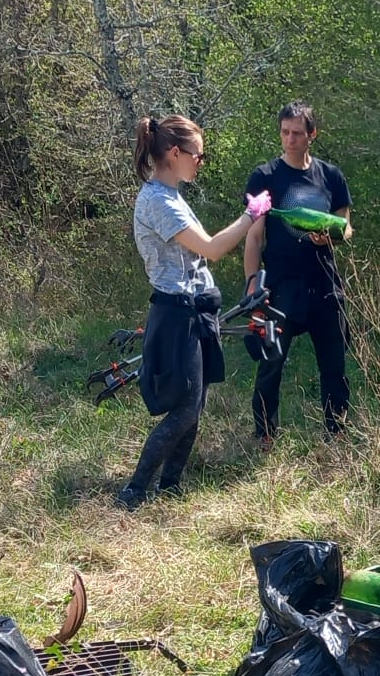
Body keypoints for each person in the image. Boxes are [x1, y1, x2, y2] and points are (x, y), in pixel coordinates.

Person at [118, 114, 268, 509]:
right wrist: (251, 216)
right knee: (184, 408)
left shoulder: (172, 196)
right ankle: (134, 490)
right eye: (198, 156)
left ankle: (170, 486)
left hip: (195, 309)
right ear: (174, 152)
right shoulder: (157, 201)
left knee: (194, 404)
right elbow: (214, 249)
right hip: (176, 313)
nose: (201, 162)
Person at [243, 101, 352, 444]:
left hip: (324, 285)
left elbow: (346, 227)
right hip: (279, 287)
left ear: (312, 135)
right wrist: (251, 286)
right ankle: (264, 434)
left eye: (297, 133)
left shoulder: (331, 176)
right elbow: (254, 235)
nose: (290, 139)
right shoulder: (264, 176)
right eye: (285, 132)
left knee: (334, 367)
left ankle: (336, 433)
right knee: (271, 363)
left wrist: (331, 236)